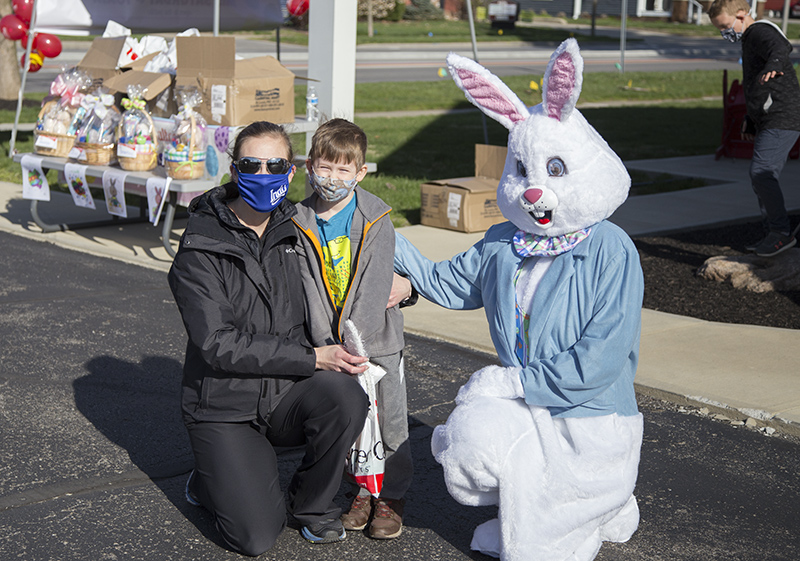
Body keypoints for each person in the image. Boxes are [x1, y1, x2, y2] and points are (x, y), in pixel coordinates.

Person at [167, 121, 371, 556]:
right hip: (223, 405)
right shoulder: (201, 244)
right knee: (256, 537)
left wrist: (405, 287)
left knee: (346, 398)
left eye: (274, 164)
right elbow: (217, 343)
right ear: (234, 168)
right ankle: (210, 478)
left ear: (292, 171)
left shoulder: (297, 226)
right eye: (251, 164)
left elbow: (362, 244)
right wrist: (312, 358)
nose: (263, 174)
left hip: (282, 391)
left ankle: (310, 506)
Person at [293, 118, 413, 540]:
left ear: (360, 172)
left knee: (391, 423)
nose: (333, 178)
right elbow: (307, 287)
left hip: (377, 342)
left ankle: (391, 495)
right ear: (310, 166)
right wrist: (328, 346)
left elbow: (376, 284)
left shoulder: (376, 219)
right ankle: (362, 491)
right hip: (332, 347)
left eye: (344, 170)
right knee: (354, 425)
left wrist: (357, 343)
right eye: (325, 168)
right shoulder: (299, 219)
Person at [710, 0, 800, 257]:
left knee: (762, 173)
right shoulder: (748, 39)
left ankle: (780, 234)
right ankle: (773, 234)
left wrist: (774, 65)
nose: (725, 33)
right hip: (769, 117)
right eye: (720, 29)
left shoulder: (759, 31)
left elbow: (781, 47)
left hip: (783, 117)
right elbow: (755, 86)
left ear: (741, 15)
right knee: (761, 178)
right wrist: (751, 117)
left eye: (726, 26)